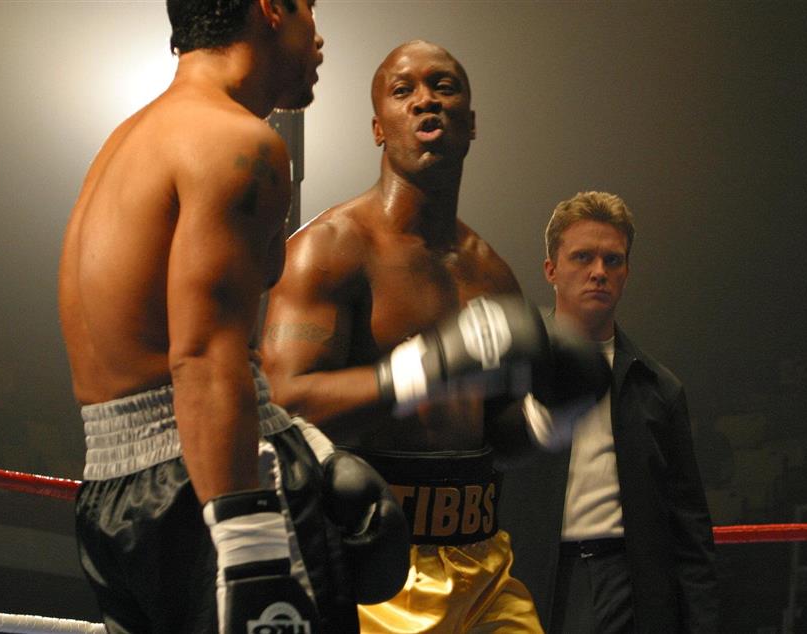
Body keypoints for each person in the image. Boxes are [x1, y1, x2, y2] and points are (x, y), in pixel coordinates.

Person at [58, 2, 409, 632]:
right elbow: (201, 358)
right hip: (212, 483)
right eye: (309, 7)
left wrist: (312, 447)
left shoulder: (127, 141)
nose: (319, 37)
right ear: (271, 8)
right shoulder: (238, 143)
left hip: (115, 495)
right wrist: (250, 555)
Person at [260, 40, 610, 633]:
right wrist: (428, 367)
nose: (427, 101)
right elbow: (283, 405)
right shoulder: (330, 249)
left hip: (484, 564)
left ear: (471, 124)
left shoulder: (491, 272)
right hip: (373, 569)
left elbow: (496, 437)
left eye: (444, 87)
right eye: (404, 91)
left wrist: (551, 416)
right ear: (378, 127)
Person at [500, 191, 719, 632]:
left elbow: (690, 530)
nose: (599, 271)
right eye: (583, 257)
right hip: (525, 581)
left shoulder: (658, 389)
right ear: (551, 270)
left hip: (627, 584)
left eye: (612, 260)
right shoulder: (510, 373)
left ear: (626, 273)